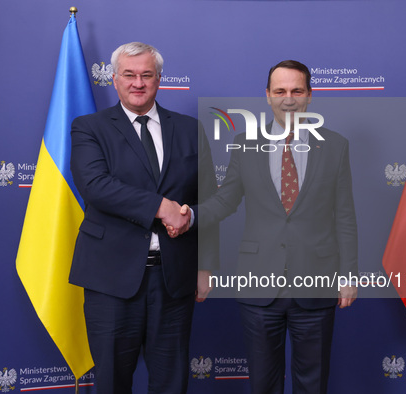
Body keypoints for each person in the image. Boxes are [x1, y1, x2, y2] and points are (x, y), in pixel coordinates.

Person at [194, 60, 358, 393]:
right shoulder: (245, 143)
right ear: (267, 96)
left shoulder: (336, 145)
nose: (288, 99)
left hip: (317, 283)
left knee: (313, 383)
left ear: (310, 96)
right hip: (258, 284)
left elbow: (345, 216)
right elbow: (226, 200)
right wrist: (190, 216)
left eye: (297, 90)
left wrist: (349, 275)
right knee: (263, 384)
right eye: (280, 91)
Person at [68, 42, 216, 394]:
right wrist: (161, 206)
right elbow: (95, 185)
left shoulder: (189, 128)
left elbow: (210, 199)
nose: (138, 83)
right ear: (114, 80)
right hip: (111, 280)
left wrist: (205, 265)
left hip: (174, 280)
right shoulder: (89, 127)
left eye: (146, 75)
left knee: (171, 382)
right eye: (129, 75)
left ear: (159, 79)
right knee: (112, 382)